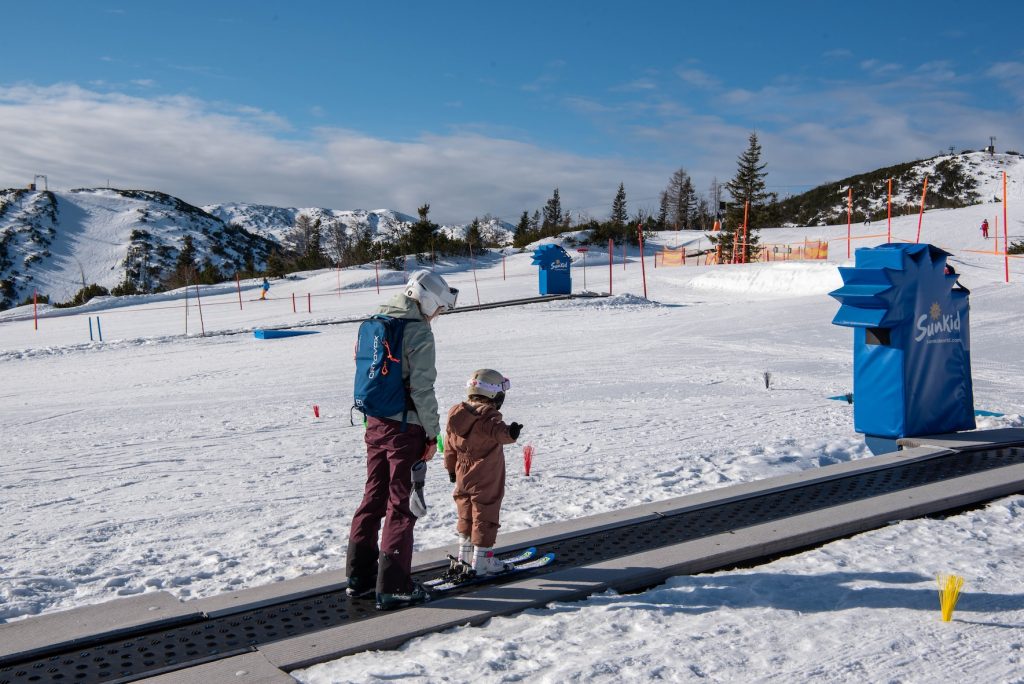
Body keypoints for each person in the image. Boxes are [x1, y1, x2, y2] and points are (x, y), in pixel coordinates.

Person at [345, 269, 458, 610]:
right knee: (401, 503)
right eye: (438, 307)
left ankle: (359, 578)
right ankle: (393, 586)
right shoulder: (418, 331)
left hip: (374, 423)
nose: (437, 314)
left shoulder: (378, 320)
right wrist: (433, 432)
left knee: (372, 497)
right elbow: (423, 388)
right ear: (427, 301)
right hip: (404, 429)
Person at [443, 369, 523, 577]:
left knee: (466, 511)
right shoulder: (487, 415)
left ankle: (465, 556)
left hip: (462, 473)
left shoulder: (456, 414)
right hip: (486, 475)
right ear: (494, 394)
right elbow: (498, 432)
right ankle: (483, 560)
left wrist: (451, 468)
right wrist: (511, 433)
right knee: (485, 512)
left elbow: (449, 445)